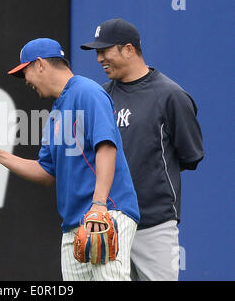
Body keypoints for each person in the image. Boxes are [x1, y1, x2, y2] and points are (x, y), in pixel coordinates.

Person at [0, 38, 140, 280]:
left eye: (26, 72)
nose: (26, 81)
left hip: (106, 212)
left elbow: (106, 147)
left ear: (40, 64)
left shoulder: (87, 91)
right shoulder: (55, 114)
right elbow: (45, 172)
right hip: (74, 222)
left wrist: (99, 205)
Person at [80, 18, 204, 281]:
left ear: (128, 49)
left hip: (153, 223)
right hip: (110, 223)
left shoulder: (170, 95)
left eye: (105, 50)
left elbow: (188, 156)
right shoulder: (101, 96)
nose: (99, 58)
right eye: (97, 52)